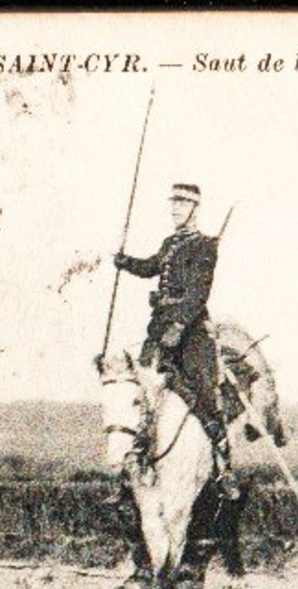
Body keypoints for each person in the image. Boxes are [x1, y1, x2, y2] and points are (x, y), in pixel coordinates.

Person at [112, 182, 239, 500]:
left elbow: (198, 295)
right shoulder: (170, 242)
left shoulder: (205, 246)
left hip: (191, 330)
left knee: (205, 390)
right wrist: (125, 261)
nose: (174, 210)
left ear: (195, 208)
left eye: (181, 205)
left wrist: (180, 326)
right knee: (140, 390)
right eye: (173, 204)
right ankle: (132, 471)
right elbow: (151, 267)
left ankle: (224, 469)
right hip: (160, 325)